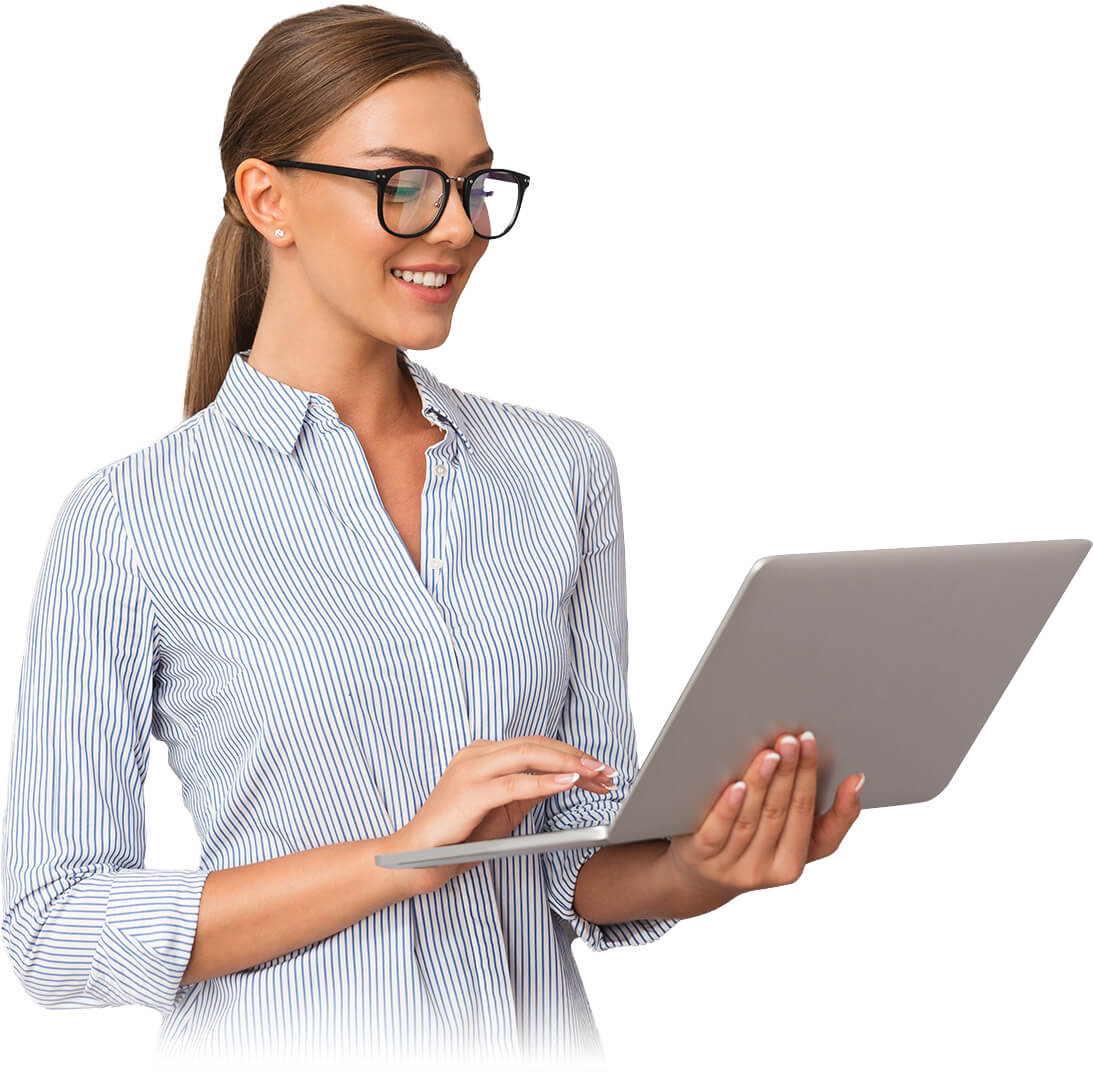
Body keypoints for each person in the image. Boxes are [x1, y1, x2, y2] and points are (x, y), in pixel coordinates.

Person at [1, 4, 865, 1064]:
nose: (455, 224)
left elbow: (570, 860)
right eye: (401, 184)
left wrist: (708, 862)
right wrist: (400, 855)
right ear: (265, 198)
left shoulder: (563, 471)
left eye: (472, 184)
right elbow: (53, 927)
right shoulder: (129, 523)